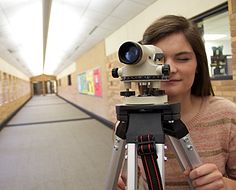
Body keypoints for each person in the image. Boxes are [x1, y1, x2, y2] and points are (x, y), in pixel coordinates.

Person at [117, 15, 236, 190]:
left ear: (198, 66)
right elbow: (132, 180)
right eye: (158, 59)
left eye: (183, 58)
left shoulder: (226, 115)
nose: (169, 69)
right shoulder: (129, 120)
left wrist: (224, 185)